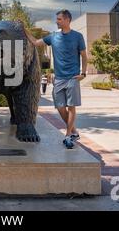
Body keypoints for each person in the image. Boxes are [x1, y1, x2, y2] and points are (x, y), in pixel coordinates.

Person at [24, 9, 88, 149]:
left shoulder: (78, 36)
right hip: (58, 79)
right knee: (60, 107)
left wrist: (83, 74)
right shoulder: (53, 37)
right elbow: (35, 42)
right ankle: (74, 131)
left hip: (72, 77)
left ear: (67, 20)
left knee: (71, 107)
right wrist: (23, 29)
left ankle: (68, 136)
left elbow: (84, 55)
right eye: (57, 19)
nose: (56, 21)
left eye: (59, 19)